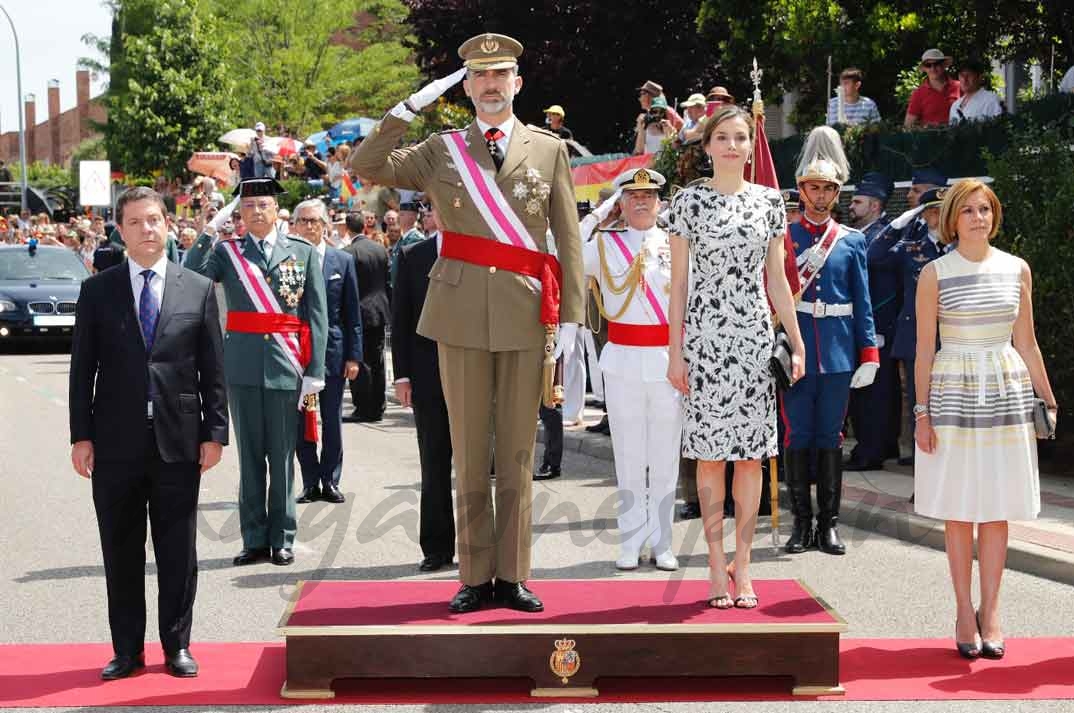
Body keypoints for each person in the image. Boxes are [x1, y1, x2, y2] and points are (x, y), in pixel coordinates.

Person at [351, 32, 584, 614]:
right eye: (479, 76)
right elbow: (366, 165)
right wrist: (408, 109)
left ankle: (514, 576)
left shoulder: (550, 150)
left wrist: (575, 319)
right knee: (468, 453)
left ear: (517, 83)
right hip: (457, 315)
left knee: (516, 456)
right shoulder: (443, 148)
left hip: (527, 313)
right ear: (466, 87)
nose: (490, 84)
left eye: (500, 74)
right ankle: (474, 575)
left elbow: (569, 239)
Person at [69, 186, 228, 680]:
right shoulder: (99, 290)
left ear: (168, 224)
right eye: (135, 222)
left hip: (178, 441)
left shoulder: (197, 288)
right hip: (114, 443)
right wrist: (81, 435)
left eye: (154, 219)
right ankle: (127, 650)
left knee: (178, 550)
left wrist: (215, 432)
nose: (147, 229)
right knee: (120, 549)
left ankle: (176, 646)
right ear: (120, 231)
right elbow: (82, 370)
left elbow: (212, 368)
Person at [666, 106, 805, 608]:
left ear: (751, 146)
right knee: (709, 458)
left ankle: (743, 565)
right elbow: (678, 283)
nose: (730, 145)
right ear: (706, 146)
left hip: (751, 341)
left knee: (749, 459)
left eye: (740, 137)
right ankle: (713, 563)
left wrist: (795, 336)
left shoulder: (769, 202)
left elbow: (777, 280)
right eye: (721, 137)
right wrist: (674, 351)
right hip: (703, 342)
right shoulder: (688, 203)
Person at [913, 179, 1056, 660]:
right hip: (953, 390)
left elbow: (1028, 342)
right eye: (969, 210)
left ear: (994, 216)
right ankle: (961, 609)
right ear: (953, 219)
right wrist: (921, 413)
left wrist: (1049, 399)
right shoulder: (934, 273)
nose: (978, 217)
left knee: (996, 509)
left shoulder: (1017, 269)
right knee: (959, 509)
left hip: (1006, 390)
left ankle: (991, 611)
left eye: (986, 209)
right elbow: (922, 351)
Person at [183, 177, 328, 567]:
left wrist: (315, 372)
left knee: (282, 457)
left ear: (276, 211)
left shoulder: (302, 252)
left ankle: (282, 537)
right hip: (243, 366)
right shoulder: (228, 253)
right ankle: (254, 538)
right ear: (239, 214)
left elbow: (316, 317)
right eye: (247, 207)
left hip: (286, 367)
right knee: (249, 457)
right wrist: (210, 229)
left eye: (263, 205)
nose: (256, 212)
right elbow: (189, 273)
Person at [781, 126, 879, 557]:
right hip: (798, 351)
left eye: (828, 189)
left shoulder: (852, 241)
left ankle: (829, 525)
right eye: (813, 188)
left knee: (832, 437)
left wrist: (869, 352)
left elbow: (863, 300)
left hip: (838, 352)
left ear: (837, 193)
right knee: (797, 435)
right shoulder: (784, 238)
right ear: (801, 189)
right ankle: (801, 525)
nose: (820, 196)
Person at [585, 167, 684, 571]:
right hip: (623, 358)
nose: (641, 202)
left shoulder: (678, 243)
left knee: (664, 457)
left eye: (648, 196)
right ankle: (629, 541)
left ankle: (662, 541)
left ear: (660, 202)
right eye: (632, 196)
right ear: (621, 203)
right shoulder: (605, 244)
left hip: (667, 358)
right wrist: (599, 214)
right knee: (627, 456)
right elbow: (562, 248)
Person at [868, 169, 948, 468]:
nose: (939, 216)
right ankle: (923, 473)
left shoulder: (961, 247)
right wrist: (899, 224)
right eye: (932, 211)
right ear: (924, 215)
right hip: (917, 340)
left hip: (954, 338)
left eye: (943, 210)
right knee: (921, 407)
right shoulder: (911, 246)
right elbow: (873, 256)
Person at [392, 204, 456, 571]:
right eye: (438, 203)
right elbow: (400, 316)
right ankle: (436, 547)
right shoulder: (414, 254)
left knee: (476, 466)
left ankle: (480, 549)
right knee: (433, 461)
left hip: (475, 371)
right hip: (427, 374)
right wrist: (402, 375)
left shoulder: (480, 247)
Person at [290, 199, 362, 505]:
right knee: (303, 418)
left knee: (332, 418)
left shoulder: (341, 261)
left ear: (326, 225)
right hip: (297, 353)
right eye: (303, 221)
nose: (309, 227)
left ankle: (330, 480)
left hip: (332, 353)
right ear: (293, 225)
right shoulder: (287, 260)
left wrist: (354, 356)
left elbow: (352, 313)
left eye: (315, 221)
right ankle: (309, 482)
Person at [845, 173, 899, 471]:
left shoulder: (882, 235)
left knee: (872, 396)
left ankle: (870, 451)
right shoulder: (865, 233)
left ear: (875, 205)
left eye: (857, 201)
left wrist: (874, 328)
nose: (851, 206)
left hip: (876, 326)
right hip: (864, 327)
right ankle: (873, 447)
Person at [342, 212, 390, 423]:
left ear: (347, 228)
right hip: (379, 311)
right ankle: (378, 405)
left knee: (359, 360)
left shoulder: (347, 253)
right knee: (377, 360)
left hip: (358, 313)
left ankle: (363, 407)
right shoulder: (380, 249)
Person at [905, 49, 961, 128]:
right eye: (928, 65)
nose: (933, 68)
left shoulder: (959, 86)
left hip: (959, 137)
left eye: (936, 64)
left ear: (944, 65)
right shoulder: (918, 93)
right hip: (930, 138)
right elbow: (908, 125)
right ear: (924, 69)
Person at [949, 58, 1003, 125]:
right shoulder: (955, 105)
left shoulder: (991, 100)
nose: (964, 79)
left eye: (969, 75)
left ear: (980, 77)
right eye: (962, 75)